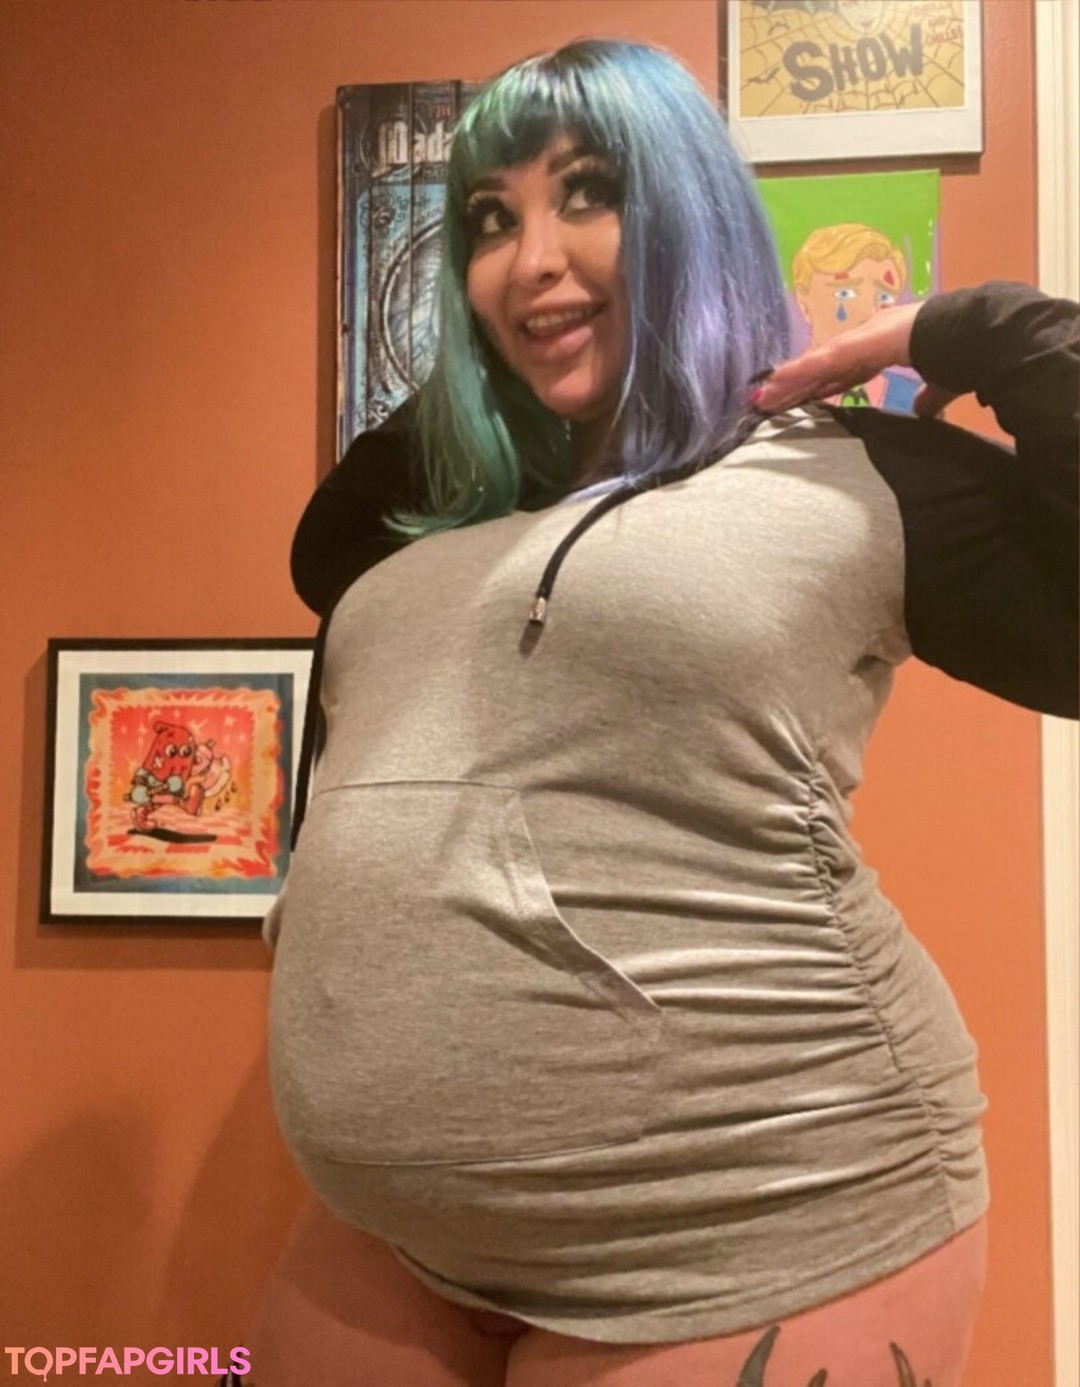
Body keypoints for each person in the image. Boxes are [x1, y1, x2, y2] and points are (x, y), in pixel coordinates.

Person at [247, 39, 1078, 1387]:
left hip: (760, 1211)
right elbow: (327, 556)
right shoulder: (430, 520)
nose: (530, 258)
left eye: (589, 192)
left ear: (692, 211)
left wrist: (989, 333)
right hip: (392, 1242)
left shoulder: (846, 473)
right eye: (491, 219)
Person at [790, 221, 920, 411]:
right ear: (803, 303)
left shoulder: (912, 399)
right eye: (845, 293)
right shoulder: (780, 400)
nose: (871, 312)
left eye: (884, 296)